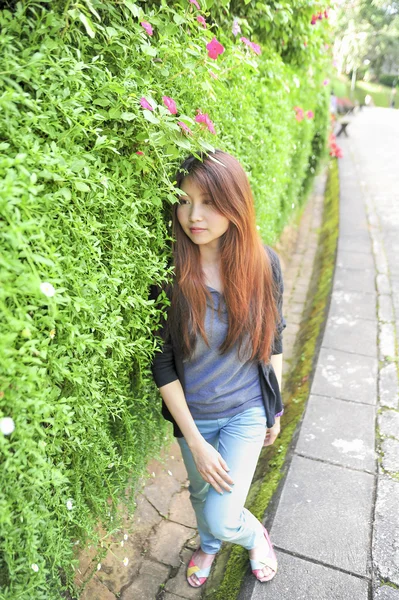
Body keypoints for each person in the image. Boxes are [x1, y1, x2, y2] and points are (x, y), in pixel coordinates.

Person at [150, 150, 286, 588]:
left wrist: (274, 407)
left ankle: (250, 536)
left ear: (234, 204)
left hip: (244, 409)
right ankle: (207, 546)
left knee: (224, 514)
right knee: (200, 493)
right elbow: (162, 363)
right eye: (185, 200)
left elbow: (274, 337)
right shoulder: (168, 273)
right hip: (195, 416)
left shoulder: (264, 265)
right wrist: (195, 440)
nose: (194, 215)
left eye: (208, 202)